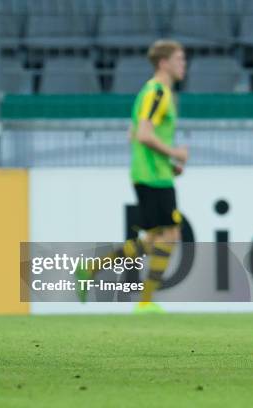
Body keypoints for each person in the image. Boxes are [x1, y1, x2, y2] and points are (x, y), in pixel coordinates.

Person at [77, 40, 188, 313]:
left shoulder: (152, 92)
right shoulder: (157, 93)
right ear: (164, 62)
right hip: (152, 175)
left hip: (154, 172)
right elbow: (143, 134)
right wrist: (175, 153)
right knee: (170, 234)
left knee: (154, 238)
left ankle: (91, 269)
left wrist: (166, 162)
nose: (183, 64)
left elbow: (133, 133)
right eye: (179, 59)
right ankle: (145, 302)